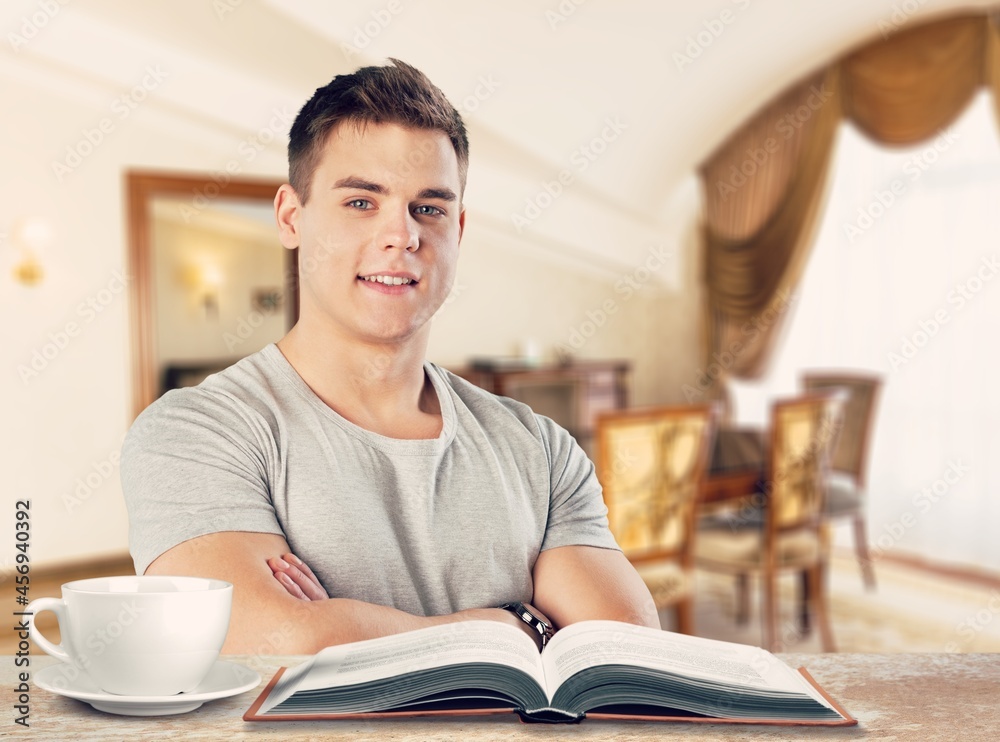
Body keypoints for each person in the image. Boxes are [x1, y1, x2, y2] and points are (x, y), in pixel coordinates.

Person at [121, 59, 658, 654]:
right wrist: (515, 624)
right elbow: (271, 650)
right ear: (291, 217)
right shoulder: (195, 434)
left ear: (459, 228)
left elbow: (622, 650)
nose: (402, 235)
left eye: (429, 207)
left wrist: (344, 633)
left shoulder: (540, 448)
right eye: (361, 202)